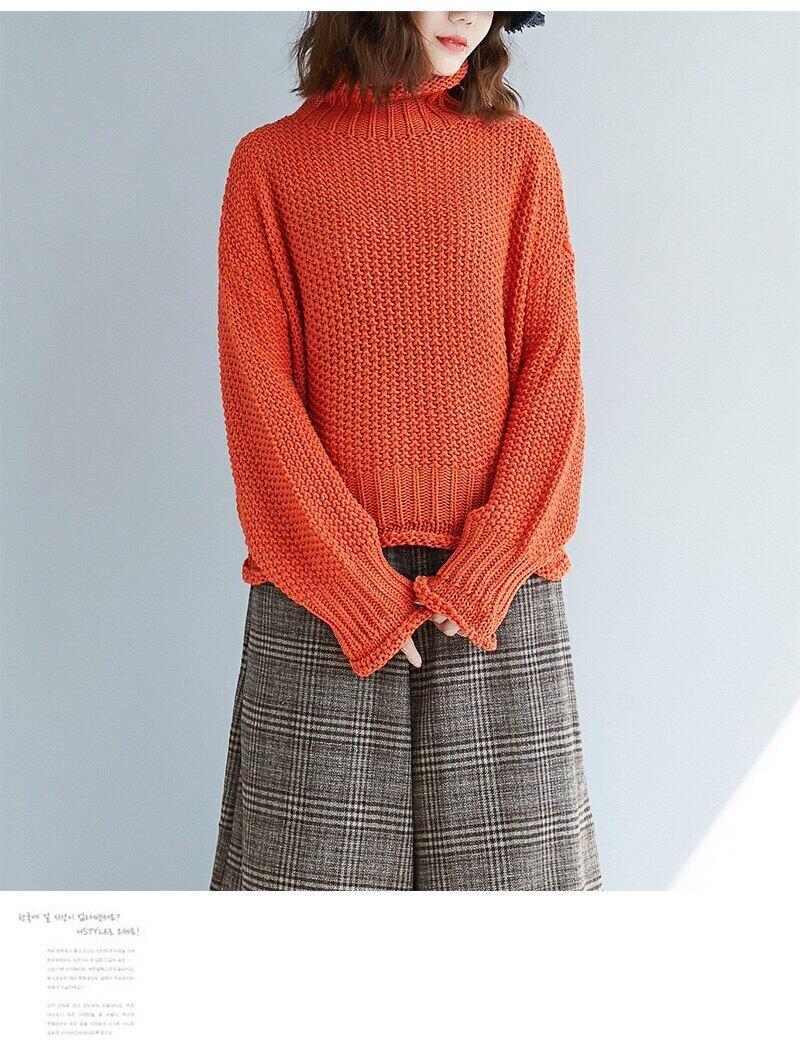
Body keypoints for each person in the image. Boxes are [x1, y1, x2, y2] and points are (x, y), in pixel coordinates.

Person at [210, 11, 602, 891]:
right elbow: (258, 395)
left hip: (494, 599)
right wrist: (352, 586)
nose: (468, 12)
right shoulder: (270, 164)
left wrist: (493, 565)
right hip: (320, 594)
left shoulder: (519, 155)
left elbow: (554, 372)